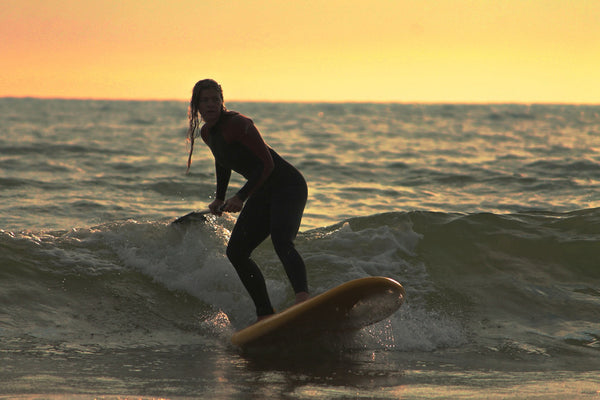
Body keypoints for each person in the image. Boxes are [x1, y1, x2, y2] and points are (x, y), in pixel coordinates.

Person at [186, 79, 309, 321]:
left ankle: (303, 299)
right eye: (204, 100)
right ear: (196, 105)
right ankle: (264, 314)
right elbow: (222, 161)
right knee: (237, 252)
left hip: (287, 186)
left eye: (215, 99)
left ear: (222, 102)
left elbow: (267, 164)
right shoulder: (207, 133)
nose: (210, 104)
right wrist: (220, 197)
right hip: (263, 190)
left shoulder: (239, 124)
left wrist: (241, 196)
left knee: (282, 241)